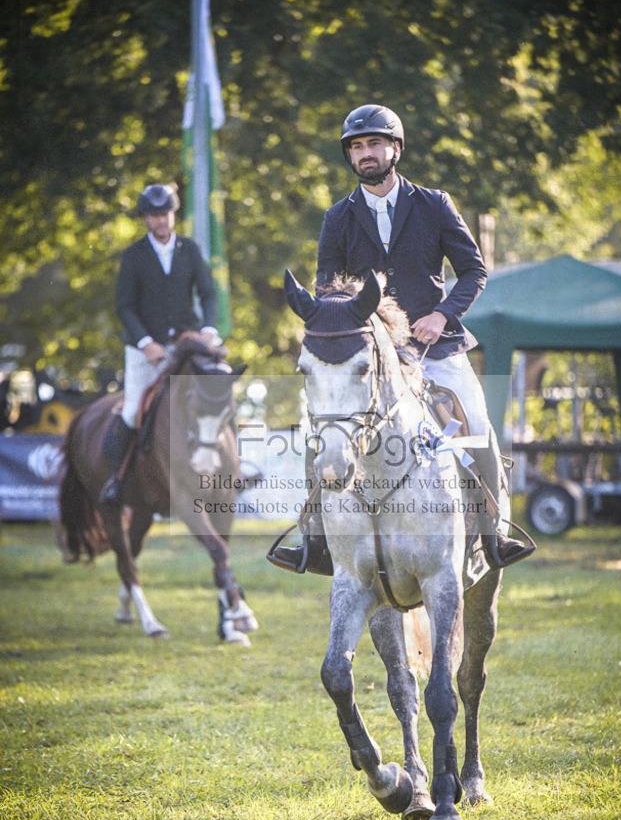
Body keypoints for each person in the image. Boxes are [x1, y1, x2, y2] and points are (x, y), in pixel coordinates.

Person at [273, 103, 531, 573]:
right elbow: (328, 289)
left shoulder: (434, 204)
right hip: (372, 355)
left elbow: (474, 272)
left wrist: (442, 314)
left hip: (437, 347)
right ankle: (316, 541)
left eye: (373, 143)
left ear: (395, 148)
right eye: (356, 147)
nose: (365, 153)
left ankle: (495, 534)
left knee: (478, 427)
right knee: (322, 435)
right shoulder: (337, 217)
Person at [99, 183, 219, 505]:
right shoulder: (134, 255)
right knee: (131, 410)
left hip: (185, 345)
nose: (162, 220)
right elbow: (124, 306)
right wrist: (145, 342)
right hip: (145, 350)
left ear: (174, 214)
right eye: (155, 215)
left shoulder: (189, 249)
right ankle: (116, 478)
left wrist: (209, 329)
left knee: (216, 393)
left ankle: (234, 464)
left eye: (166, 213)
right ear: (145, 219)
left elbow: (208, 293)